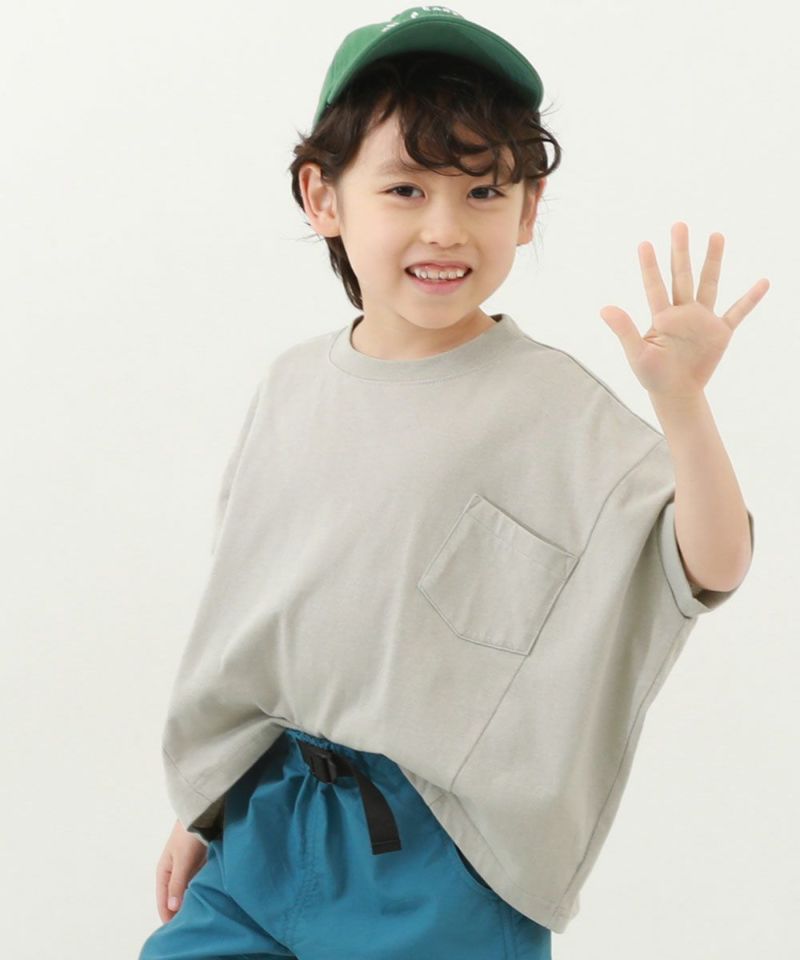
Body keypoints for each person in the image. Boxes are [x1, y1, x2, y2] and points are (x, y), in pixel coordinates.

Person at [138, 6, 764, 959]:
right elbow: (256, 622)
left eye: (483, 192)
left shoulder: (554, 410)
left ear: (529, 209)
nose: (445, 228)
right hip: (266, 820)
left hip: (443, 864)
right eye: (405, 188)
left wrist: (681, 405)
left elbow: (710, 567)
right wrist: (210, 803)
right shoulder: (292, 388)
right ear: (323, 197)